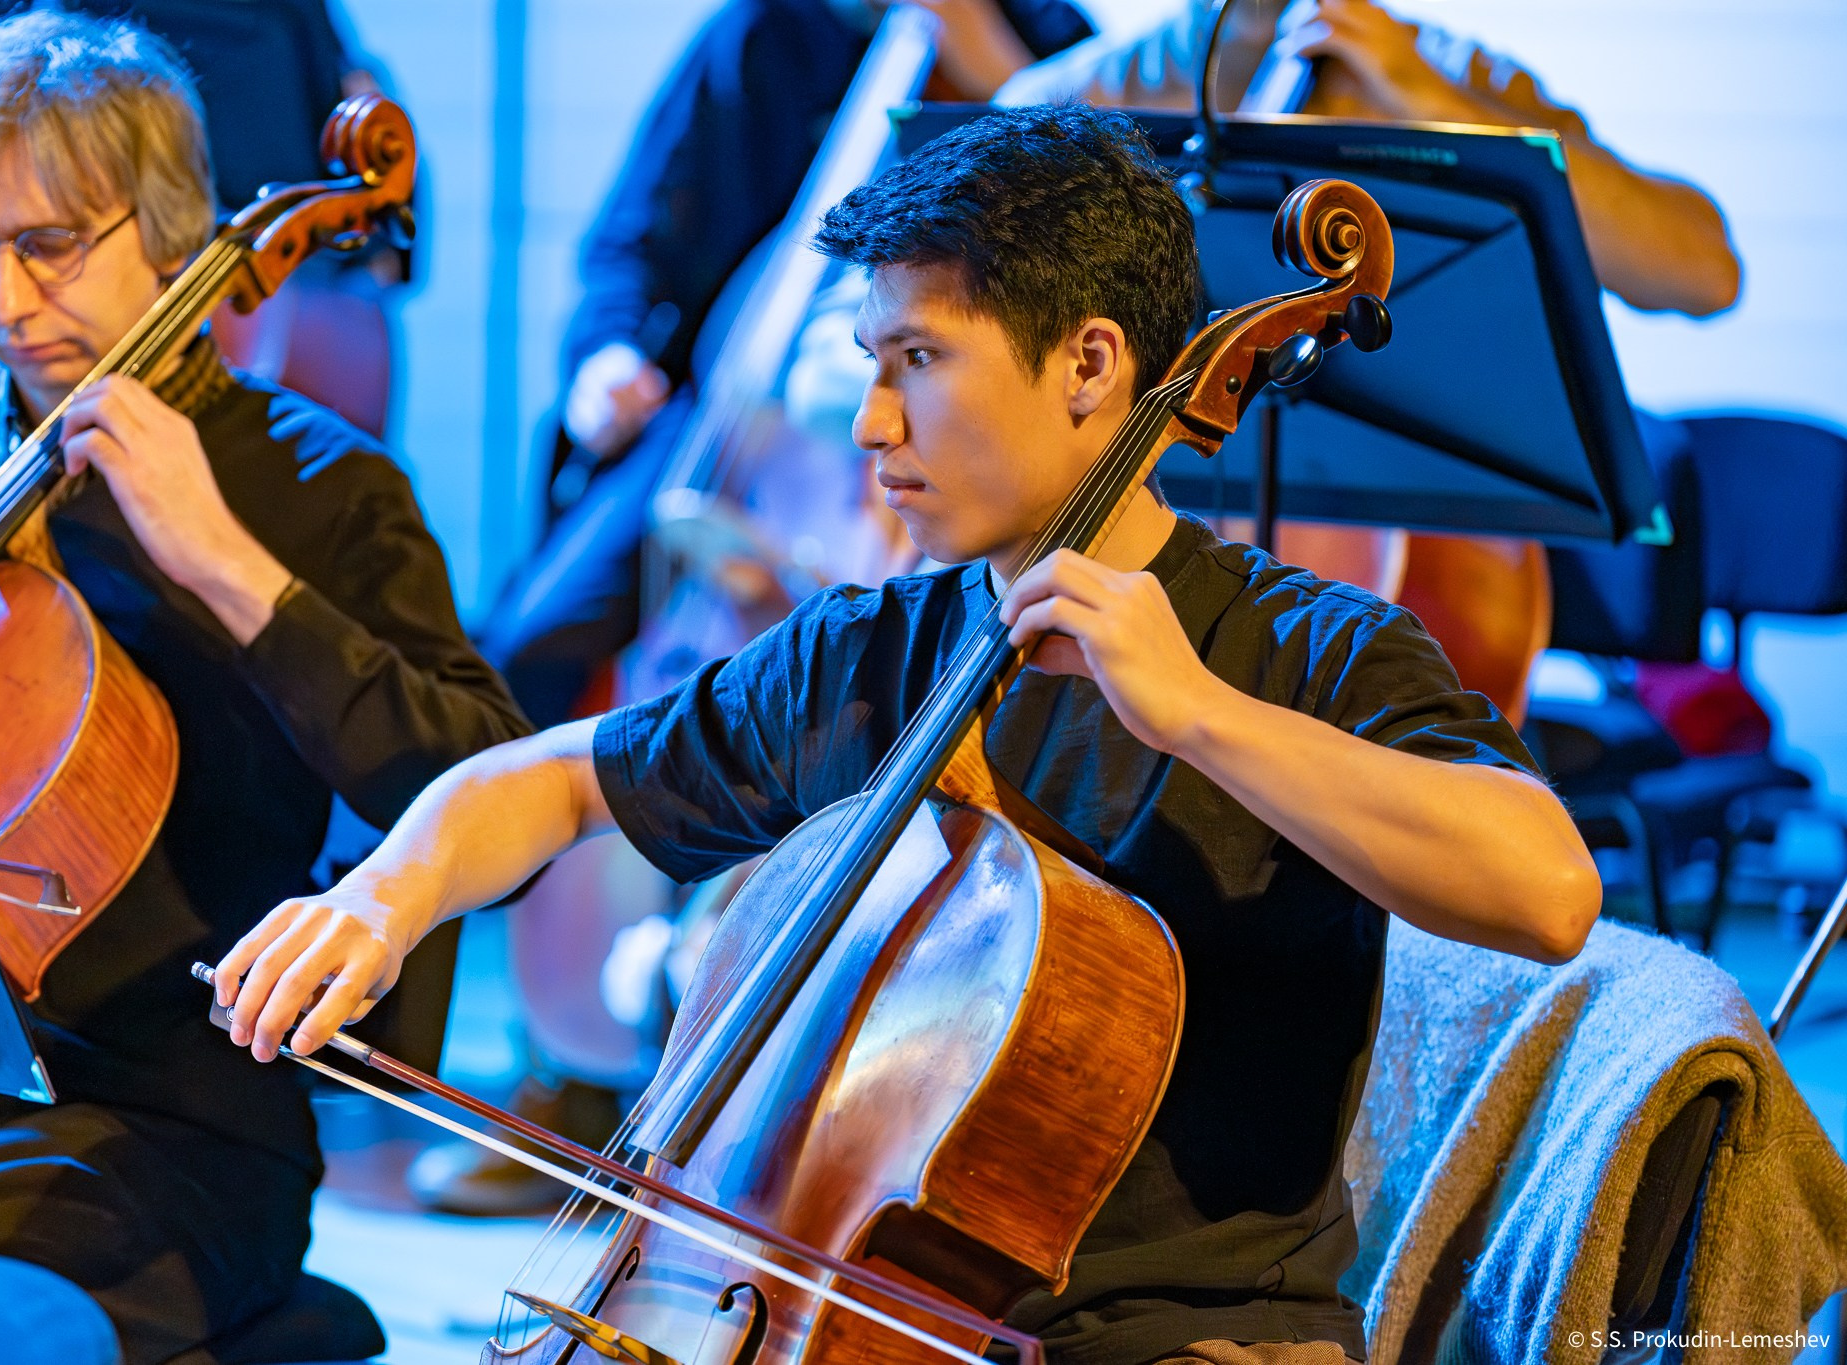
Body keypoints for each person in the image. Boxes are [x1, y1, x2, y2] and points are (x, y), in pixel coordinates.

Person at [215, 104, 1602, 1365]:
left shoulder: (1307, 651)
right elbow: (553, 782)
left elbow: (1546, 892)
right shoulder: (877, 647)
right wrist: (384, 894)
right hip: (860, 1312)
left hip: (1191, 1341)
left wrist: (1200, 715)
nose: (876, 425)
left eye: (921, 362)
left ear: (1091, 365)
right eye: (872, 365)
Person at [0, 13, 528, 1365]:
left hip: (159, 1122)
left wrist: (230, 570)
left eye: (52, 245)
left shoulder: (318, 490)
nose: (6, 302)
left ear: (177, 228)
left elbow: (482, 786)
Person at [484, 0, 1096, 730]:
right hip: (724, 413)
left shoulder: (1048, 30)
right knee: (534, 641)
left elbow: (1102, 201)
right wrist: (607, 358)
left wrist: (992, 60)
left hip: (949, 427)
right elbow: (632, 240)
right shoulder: (765, 28)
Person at [998, 0, 1739, 317]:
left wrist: (1419, 90)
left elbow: (1702, 271)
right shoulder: (1166, 57)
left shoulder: (1454, 70)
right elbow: (970, 156)